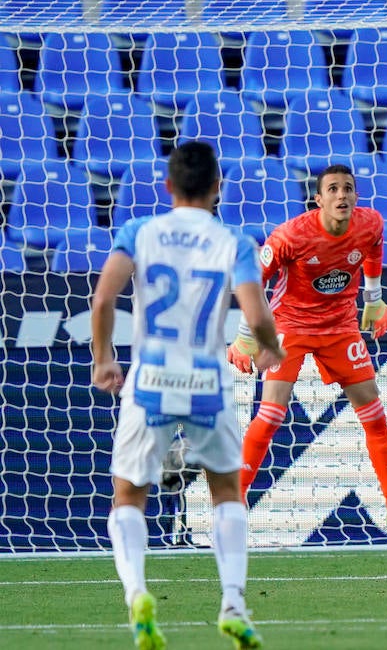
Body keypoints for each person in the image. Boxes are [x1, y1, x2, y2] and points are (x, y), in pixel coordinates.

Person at [92, 141, 284, 650]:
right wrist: (271, 348)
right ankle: (233, 604)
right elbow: (257, 314)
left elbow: (104, 298)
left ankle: (137, 594)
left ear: (167, 186)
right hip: (207, 383)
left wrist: (104, 359)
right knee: (226, 492)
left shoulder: (139, 232)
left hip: (151, 381)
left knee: (128, 495)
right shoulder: (233, 240)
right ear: (217, 188)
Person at [229, 164, 387, 543]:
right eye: (334, 189)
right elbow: (252, 280)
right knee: (271, 414)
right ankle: (233, 504)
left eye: (348, 188)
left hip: (340, 327)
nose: (342, 195)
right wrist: (245, 337)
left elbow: (373, 248)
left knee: (375, 417)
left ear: (356, 196)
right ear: (319, 199)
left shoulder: (370, 223)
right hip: (290, 326)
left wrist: (374, 300)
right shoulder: (291, 235)